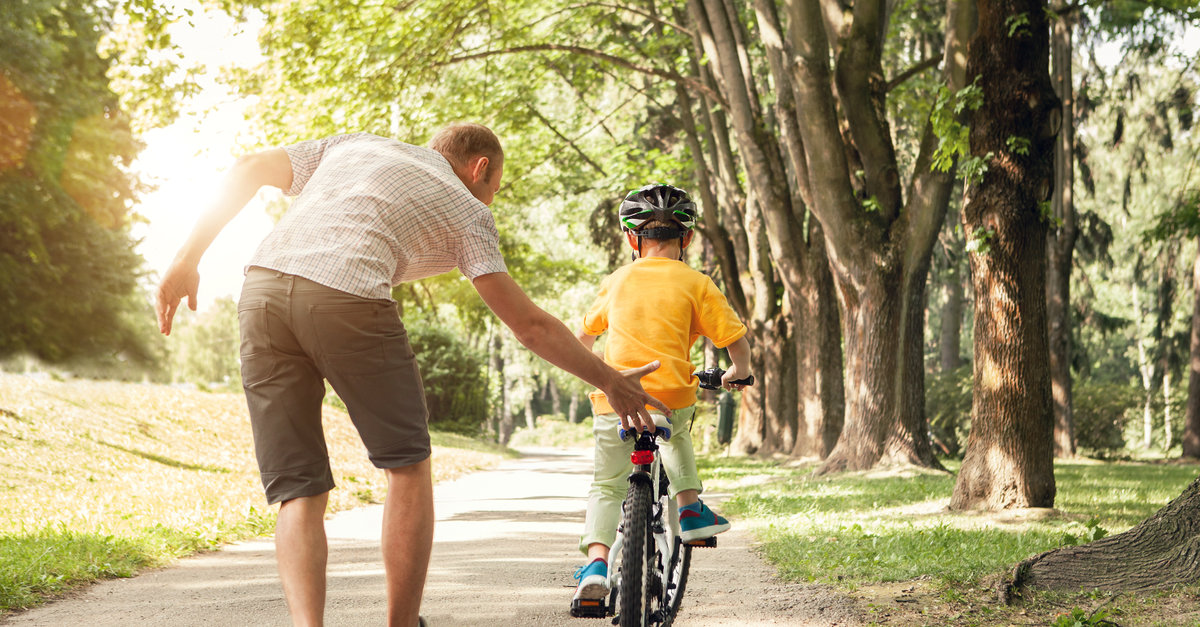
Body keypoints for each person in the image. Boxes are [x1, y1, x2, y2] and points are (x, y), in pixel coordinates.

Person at [154, 123, 669, 627]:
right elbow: (530, 326)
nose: (490, 199)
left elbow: (247, 167)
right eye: (495, 188)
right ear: (479, 167)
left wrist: (186, 259)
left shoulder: (354, 145)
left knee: (299, 487)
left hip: (261, 293)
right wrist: (609, 379)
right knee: (406, 466)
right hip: (347, 296)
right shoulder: (468, 208)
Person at [570, 183, 752, 609]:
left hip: (614, 397)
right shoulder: (697, 282)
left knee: (606, 484)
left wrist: (595, 376)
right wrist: (737, 373)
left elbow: (583, 337)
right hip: (670, 393)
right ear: (686, 238)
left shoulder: (616, 280)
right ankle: (689, 508)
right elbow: (735, 341)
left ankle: (596, 565)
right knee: (677, 435)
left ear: (632, 239)